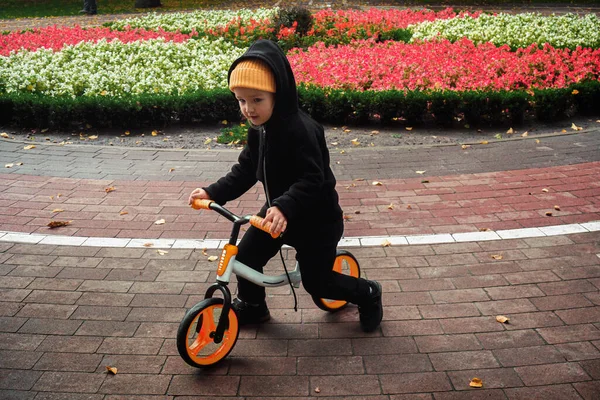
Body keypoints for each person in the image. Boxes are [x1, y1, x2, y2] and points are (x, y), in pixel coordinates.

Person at [188, 39, 383, 332]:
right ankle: (254, 306)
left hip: (316, 220)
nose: (249, 109)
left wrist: (283, 205)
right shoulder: (259, 130)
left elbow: (312, 178)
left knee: (317, 283)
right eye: (241, 100)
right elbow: (245, 170)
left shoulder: (301, 130)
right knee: (247, 256)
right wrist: (212, 192)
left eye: (257, 100)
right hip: (278, 214)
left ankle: (368, 292)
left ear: (277, 93)